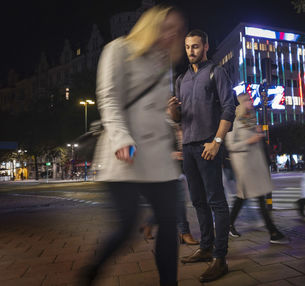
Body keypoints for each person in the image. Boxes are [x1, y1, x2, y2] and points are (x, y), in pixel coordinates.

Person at [85, 6, 186, 286]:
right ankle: (92, 271)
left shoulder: (164, 63)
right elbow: (109, 98)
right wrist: (121, 138)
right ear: (149, 25)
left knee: (168, 221)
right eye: (167, 26)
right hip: (125, 153)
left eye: (177, 29)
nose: (172, 34)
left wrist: (173, 134)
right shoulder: (119, 49)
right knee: (126, 227)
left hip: (158, 158)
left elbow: (157, 112)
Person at [168, 29, 236, 282]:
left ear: (206, 46)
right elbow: (179, 119)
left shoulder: (216, 72)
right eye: (187, 47)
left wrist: (217, 141)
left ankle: (220, 258)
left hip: (208, 146)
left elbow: (229, 108)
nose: (191, 51)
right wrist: (172, 111)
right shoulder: (181, 79)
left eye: (195, 46)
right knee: (197, 201)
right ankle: (206, 248)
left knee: (216, 201)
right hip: (188, 147)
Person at [225, 93, 288, 244]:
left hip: (255, 165)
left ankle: (229, 223)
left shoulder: (251, 120)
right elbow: (230, 146)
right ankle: (272, 231)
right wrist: (250, 140)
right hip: (244, 166)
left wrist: (258, 134)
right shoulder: (233, 122)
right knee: (258, 197)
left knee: (243, 197)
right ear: (240, 104)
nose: (250, 102)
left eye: (250, 100)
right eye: (247, 100)